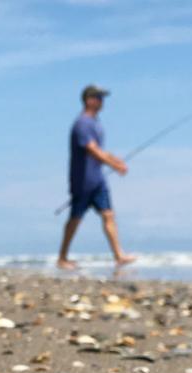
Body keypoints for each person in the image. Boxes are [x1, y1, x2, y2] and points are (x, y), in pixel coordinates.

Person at [57, 84, 136, 270]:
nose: (102, 102)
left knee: (108, 214)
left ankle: (119, 255)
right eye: (99, 98)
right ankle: (62, 257)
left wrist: (117, 161)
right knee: (75, 218)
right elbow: (92, 150)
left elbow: (101, 151)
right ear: (89, 100)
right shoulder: (82, 124)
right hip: (83, 180)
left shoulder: (95, 123)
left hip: (98, 179)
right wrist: (114, 165)